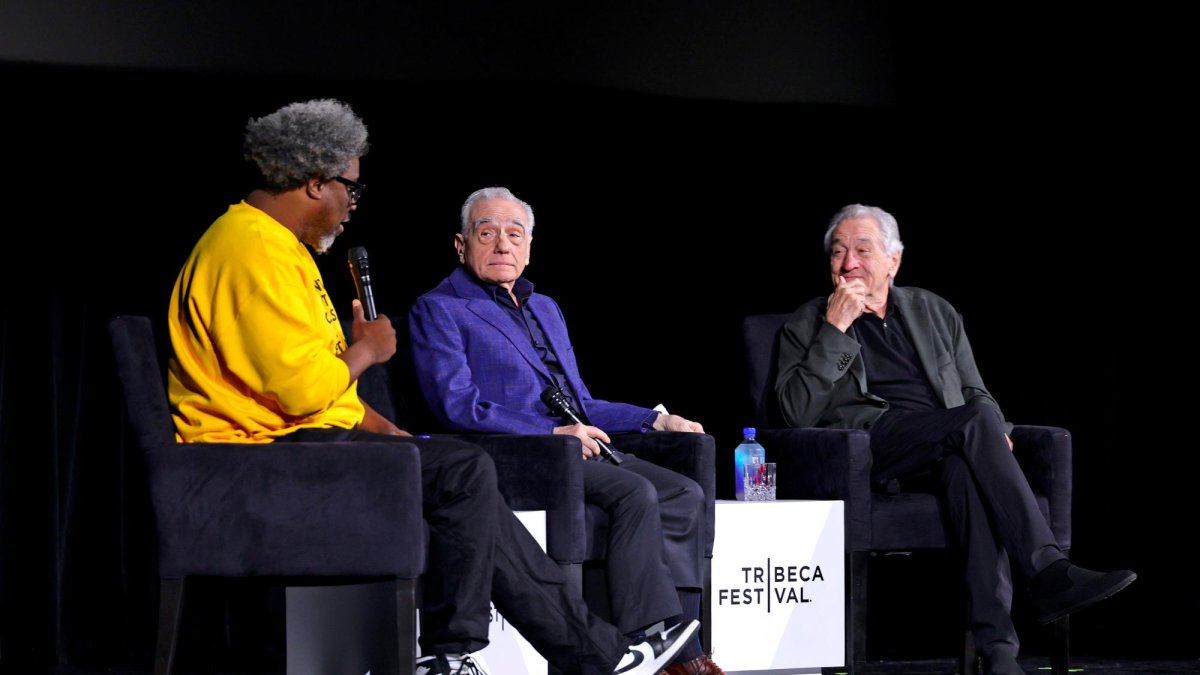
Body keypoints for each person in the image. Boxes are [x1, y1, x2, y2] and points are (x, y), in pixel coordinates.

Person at [165, 99, 697, 675]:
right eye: (352, 190)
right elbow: (299, 394)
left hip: (299, 441)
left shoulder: (280, 250)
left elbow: (307, 383)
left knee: (460, 470)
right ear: (316, 182)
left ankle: (526, 653)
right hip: (251, 462)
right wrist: (367, 350)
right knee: (465, 469)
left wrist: (385, 429)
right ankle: (465, 652)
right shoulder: (249, 249)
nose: (352, 207)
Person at [772, 203, 1136, 675]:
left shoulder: (933, 310)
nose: (848, 264)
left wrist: (995, 432)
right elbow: (793, 413)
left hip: (946, 443)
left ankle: (999, 652)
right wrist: (836, 329)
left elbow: (973, 391)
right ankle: (1048, 571)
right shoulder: (808, 323)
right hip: (870, 448)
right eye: (838, 253)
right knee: (974, 427)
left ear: (893, 260)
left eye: (862, 250)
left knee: (968, 468)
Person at [407, 186, 723, 675]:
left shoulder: (545, 307)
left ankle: (682, 645)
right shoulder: (439, 308)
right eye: (486, 233)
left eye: (515, 234)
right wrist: (550, 435)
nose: (502, 245)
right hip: (517, 454)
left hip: (578, 447)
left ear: (530, 246)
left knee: (683, 492)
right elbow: (456, 404)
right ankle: (652, 642)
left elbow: (582, 402)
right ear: (460, 244)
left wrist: (653, 418)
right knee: (635, 492)